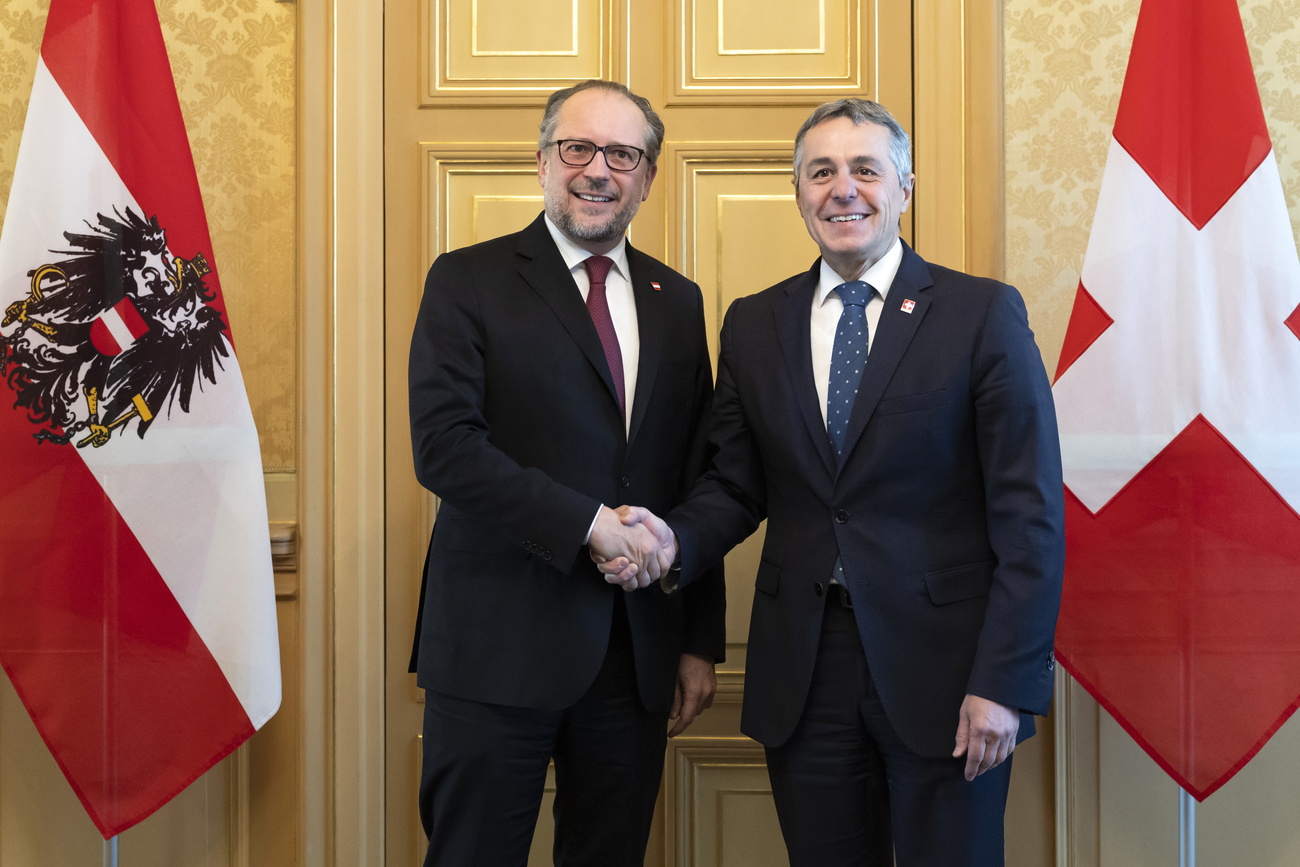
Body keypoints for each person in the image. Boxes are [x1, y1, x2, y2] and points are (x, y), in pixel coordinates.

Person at [603, 98, 1064, 866]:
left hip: (948, 672)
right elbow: (736, 482)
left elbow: (1031, 515)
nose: (841, 189)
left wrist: (1005, 681)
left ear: (904, 188)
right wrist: (670, 539)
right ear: (799, 194)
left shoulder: (980, 314)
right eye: (821, 172)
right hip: (805, 670)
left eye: (863, 170)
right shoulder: (755, 324)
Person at [407, 79, 725, 867]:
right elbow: (444, 446)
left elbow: (697, 471)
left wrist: (698, 642)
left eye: (623, 154)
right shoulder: (466, 279)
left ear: (647, 176)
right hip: (494, 645)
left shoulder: (677, 301)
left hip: (635, 651)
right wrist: (589, 524)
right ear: (543, 161)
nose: (597, 170)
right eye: (577, 148)